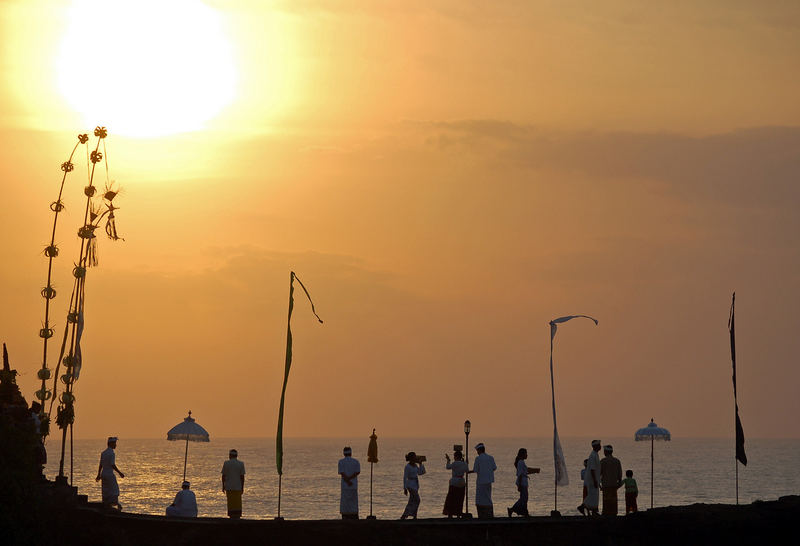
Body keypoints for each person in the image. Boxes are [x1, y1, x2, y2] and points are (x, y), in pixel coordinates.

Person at [508, 448, 539, 517]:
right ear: (522, 454)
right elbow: (520, 474)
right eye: (526, 453)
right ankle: (522, 512)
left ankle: (516, 510)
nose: (527, 455)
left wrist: (535, 471)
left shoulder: (521, 462)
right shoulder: (521, 462)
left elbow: (525, 472)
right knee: (524, 498)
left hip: (523, 482)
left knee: (523, 498)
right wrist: (519, 485)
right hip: (522, 483)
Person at [468, 442, 497, 518]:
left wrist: (469, 472)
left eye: (477, 451)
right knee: (488, 497)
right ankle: (489, 514)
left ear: (479, 450)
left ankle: (482, 514)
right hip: (489, 481)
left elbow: (475, 469)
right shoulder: (491, 457)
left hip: (481, 481)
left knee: (480, 499)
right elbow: (494, 468)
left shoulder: (478, 458)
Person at [95, 436, 124, 511]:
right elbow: (112, 464)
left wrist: (99, 474)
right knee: (114, 490)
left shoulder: (103, 453)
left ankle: (106, 505)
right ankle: (115, 504)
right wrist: (120, 473)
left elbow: (100, 464)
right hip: (109, 474)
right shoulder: (112, 453)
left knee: (106, 490)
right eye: (114, 443)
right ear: (111, 444)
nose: (115, 445)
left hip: (103, 474)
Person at [443, 450, 468, 518]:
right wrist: (465, 462)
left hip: (454, 482)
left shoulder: (454, 463)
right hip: (461, 481)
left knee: (451, 499)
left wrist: (448, 460)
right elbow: (467, 470)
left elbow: (448, 467)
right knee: (459, 499)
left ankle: (450, 514)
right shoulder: (464, 463)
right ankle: (458, 514)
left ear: (456, 457)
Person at [401, 451, 426, 519]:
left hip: (415, 484)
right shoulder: (407, 466)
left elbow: (421, 473)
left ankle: (409, 515)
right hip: (410, 484)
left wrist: (421, 464)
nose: (415, 459)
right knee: (417, 500)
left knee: (412, 500)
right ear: (411, 458)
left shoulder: (415, 466)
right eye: (414, 457)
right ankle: (411, 514)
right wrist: (405, 488)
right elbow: (405, 477)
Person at [221, 448, 245, 519]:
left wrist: (223, 486)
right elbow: (242, 477)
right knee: (237, 504)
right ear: (237, 456)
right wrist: (242, 487)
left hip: (229, 487)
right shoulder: (241, 464)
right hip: (238, 487)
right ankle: (237, 517)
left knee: (230, 503)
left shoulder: (226, 463)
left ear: (230, 455)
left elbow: (223, 476)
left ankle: (231, 517)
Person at [338, 446, 361, 519]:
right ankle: (354, 514)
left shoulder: (341, 462)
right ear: (351, 453)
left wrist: (347, 480)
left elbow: (342, 473)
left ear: (343, 453)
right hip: (353, 485)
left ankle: (345, 515)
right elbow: (357, 472)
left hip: (345, 485)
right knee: (353, 500)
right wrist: (350, 480)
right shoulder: (356, 461)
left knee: (345, 501)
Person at [600, 444, 623, 516]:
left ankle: (606, 513)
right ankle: (613, 513)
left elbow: (599, 473)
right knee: (613, 500)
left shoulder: (603, 461)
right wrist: (619, 482)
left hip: (606, 484)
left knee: (606, 500)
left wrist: (599, 484)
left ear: (606, 452)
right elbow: (620, 473)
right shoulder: (617, 461)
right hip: (614, 484)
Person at [583, 440, 601, 516]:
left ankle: (594, 511)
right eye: (599, 445)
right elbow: (592, 469)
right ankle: (583, 507)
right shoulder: (593, 455)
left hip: (594, 479)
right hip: (592, 480)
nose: (600, 446)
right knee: (592, 496)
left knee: (594, 496)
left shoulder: (595, 454)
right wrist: (595, 480)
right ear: (595, 446)